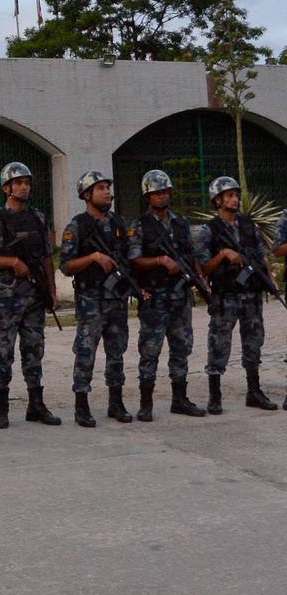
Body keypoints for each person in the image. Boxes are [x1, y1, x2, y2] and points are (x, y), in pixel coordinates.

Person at [0, 162, 60, 428]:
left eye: (27, 182)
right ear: (7, 188)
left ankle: (36, 404)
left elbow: (47, 256)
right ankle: (1, 408)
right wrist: (13, 263)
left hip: (34, 296)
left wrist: (52, 288)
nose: (24, 187)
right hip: (6, 299)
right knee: (3, 352)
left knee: (34, 350)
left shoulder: (38, 217)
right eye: (19, 183)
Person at [59, 171, 142, 427]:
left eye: (107, 187)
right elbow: (66, 265)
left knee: (117, 351)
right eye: (100, 188)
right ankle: (81, 404)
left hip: (116, 298)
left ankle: (116, 402)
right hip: (91, 299)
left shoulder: (118, 223)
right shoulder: (77, 226)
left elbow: (130, 258)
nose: (107, 192)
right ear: (87, 195)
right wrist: (94, 258)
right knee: (86, 351)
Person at [126, 169, 206, 420]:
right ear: (148, 196)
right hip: (156, 296)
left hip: (180, 295)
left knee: (182, 347)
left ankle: (180, 399)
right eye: (156, 192)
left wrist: (200, 280)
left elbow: (192, 255)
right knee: (150, 349)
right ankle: (146, 402)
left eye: (165, 191)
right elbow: (134, 260)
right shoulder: (140, 225)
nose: (162, 196)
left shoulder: (181, 222)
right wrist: (160, 260)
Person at [196, 176, 276, 414]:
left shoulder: (249, 225)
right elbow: (202, 267)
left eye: (236, 195)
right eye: (229, 195)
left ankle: (254, 391)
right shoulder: (209, 230)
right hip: (226, 295)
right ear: (218, 200)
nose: (235, 199)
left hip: (251, 293)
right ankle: (215, 395)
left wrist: (270, 277)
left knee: (254, 342)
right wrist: (223, 255)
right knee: (219, 344)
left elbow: (261, 254)